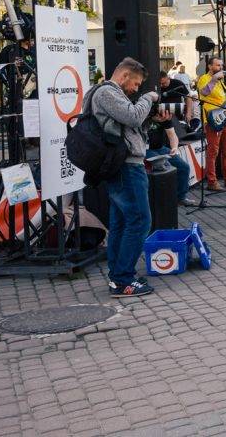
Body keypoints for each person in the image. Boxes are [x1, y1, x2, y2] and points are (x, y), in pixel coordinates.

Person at [90, 58, 161, 297]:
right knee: (140, 220)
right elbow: (131, 117)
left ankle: (118, 275)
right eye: (136, 84)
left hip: (122, 166)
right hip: (126, 168)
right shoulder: (107, 93)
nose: (136, 89)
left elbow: (129, 126)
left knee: (121, 222)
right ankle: (122, 279)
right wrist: (147, 99)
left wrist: (150, 118)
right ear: (124, 76)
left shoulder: (109, 94)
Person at [196, 57, 226, 192]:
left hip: (224, 119)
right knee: (213, 152)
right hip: (212, 121)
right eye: (217, 65)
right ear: (210, 66)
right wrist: (213, 79)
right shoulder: (204, 78)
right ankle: (212, 182)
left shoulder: (221, 82)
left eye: (221, 65)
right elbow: (204, 92)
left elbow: (222, 101)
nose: (220, 68)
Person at [146, 108, 196, 208]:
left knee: (184, 167)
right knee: (166, 167)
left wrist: (174, 148)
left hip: (160, 148)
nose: (160, 117)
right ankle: (164, 200)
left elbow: (172, 135)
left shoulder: (165, 116)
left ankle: (180, 197)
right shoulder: (142, 118)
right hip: (145, 149)